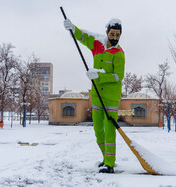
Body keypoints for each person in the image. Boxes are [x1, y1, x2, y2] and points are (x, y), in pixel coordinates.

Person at [64, 18, 125, 173]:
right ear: (107, 32)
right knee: (98, 130)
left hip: (110, 98)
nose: (115, 38)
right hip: (97, 95)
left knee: (109, 130)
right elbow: (85, 37)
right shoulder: (98, 44)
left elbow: (118, 76)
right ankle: (105, 158)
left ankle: (110, 164)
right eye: (112, 34)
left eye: (118, 35)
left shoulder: (119, 54)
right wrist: (73, 29)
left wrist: (98, 76)